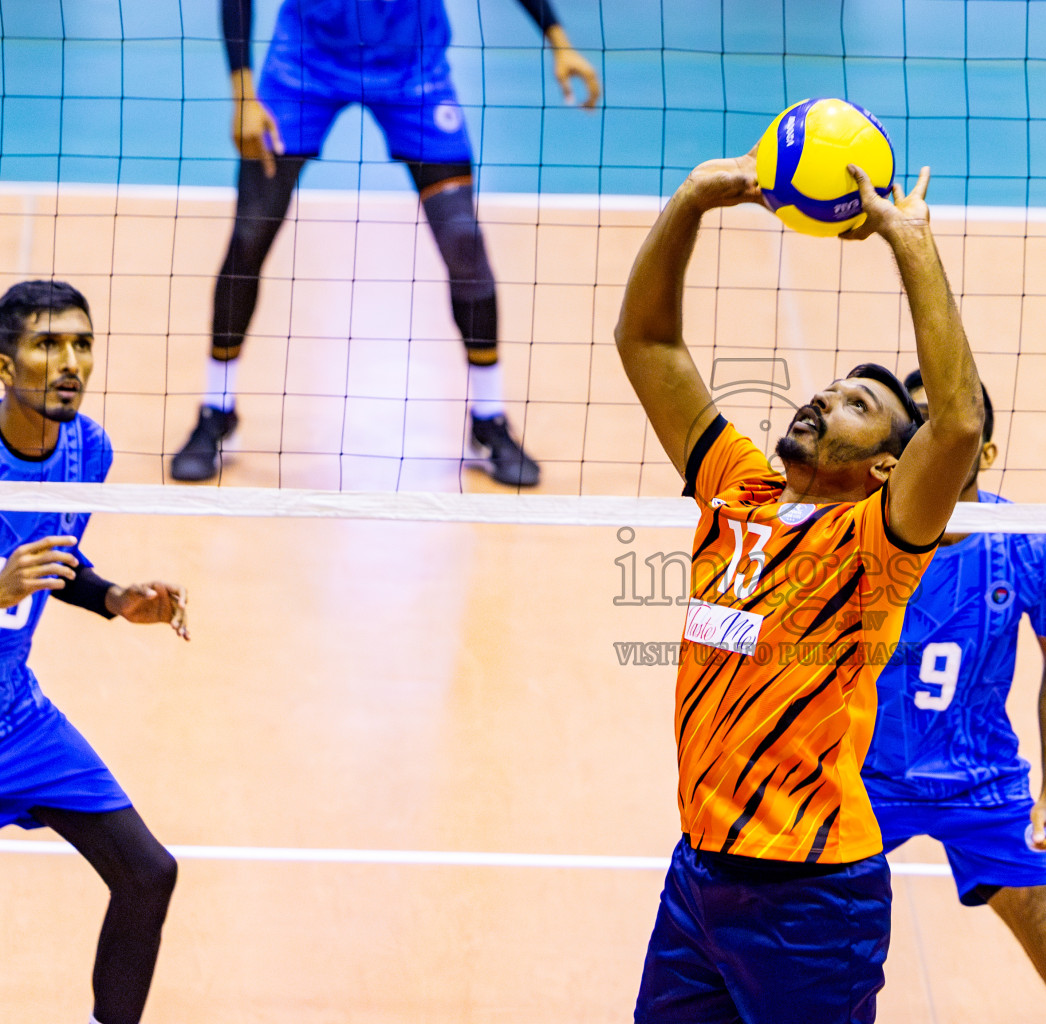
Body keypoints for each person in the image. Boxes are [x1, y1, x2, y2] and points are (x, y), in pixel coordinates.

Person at [614, 149, 984, 1023]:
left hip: (813, 896)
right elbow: (647, 342)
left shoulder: (877, 544)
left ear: (891, 465)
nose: (821, 401)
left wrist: (909, 242)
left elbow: (960, 422)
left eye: (857, 405)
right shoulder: (735, 488)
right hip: (700, 876)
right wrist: (693, 201)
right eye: (829, 390)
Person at [169, 0, 604, 486]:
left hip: (413, 71)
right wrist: (244, 92)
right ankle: (217, 409)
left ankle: (489, 420)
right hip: (304, 69)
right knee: (249, 235)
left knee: (463, 240)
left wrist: (559, 41)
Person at [863, 372, 1046, 1024]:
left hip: (982, 786)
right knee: (816, 991)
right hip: (859, 783)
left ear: (985, 448)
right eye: (921, 424)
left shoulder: (1030, 544)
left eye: (955, 422)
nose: (938, 435)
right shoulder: (857, 535)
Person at [0, 280, 190, 1024]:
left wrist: (112, 598)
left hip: (17, 720)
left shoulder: (87, 450)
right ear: (5, 368)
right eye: (47, 345)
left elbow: (50, 559)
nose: (70, 361)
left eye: (82, 343)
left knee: (148, 875)